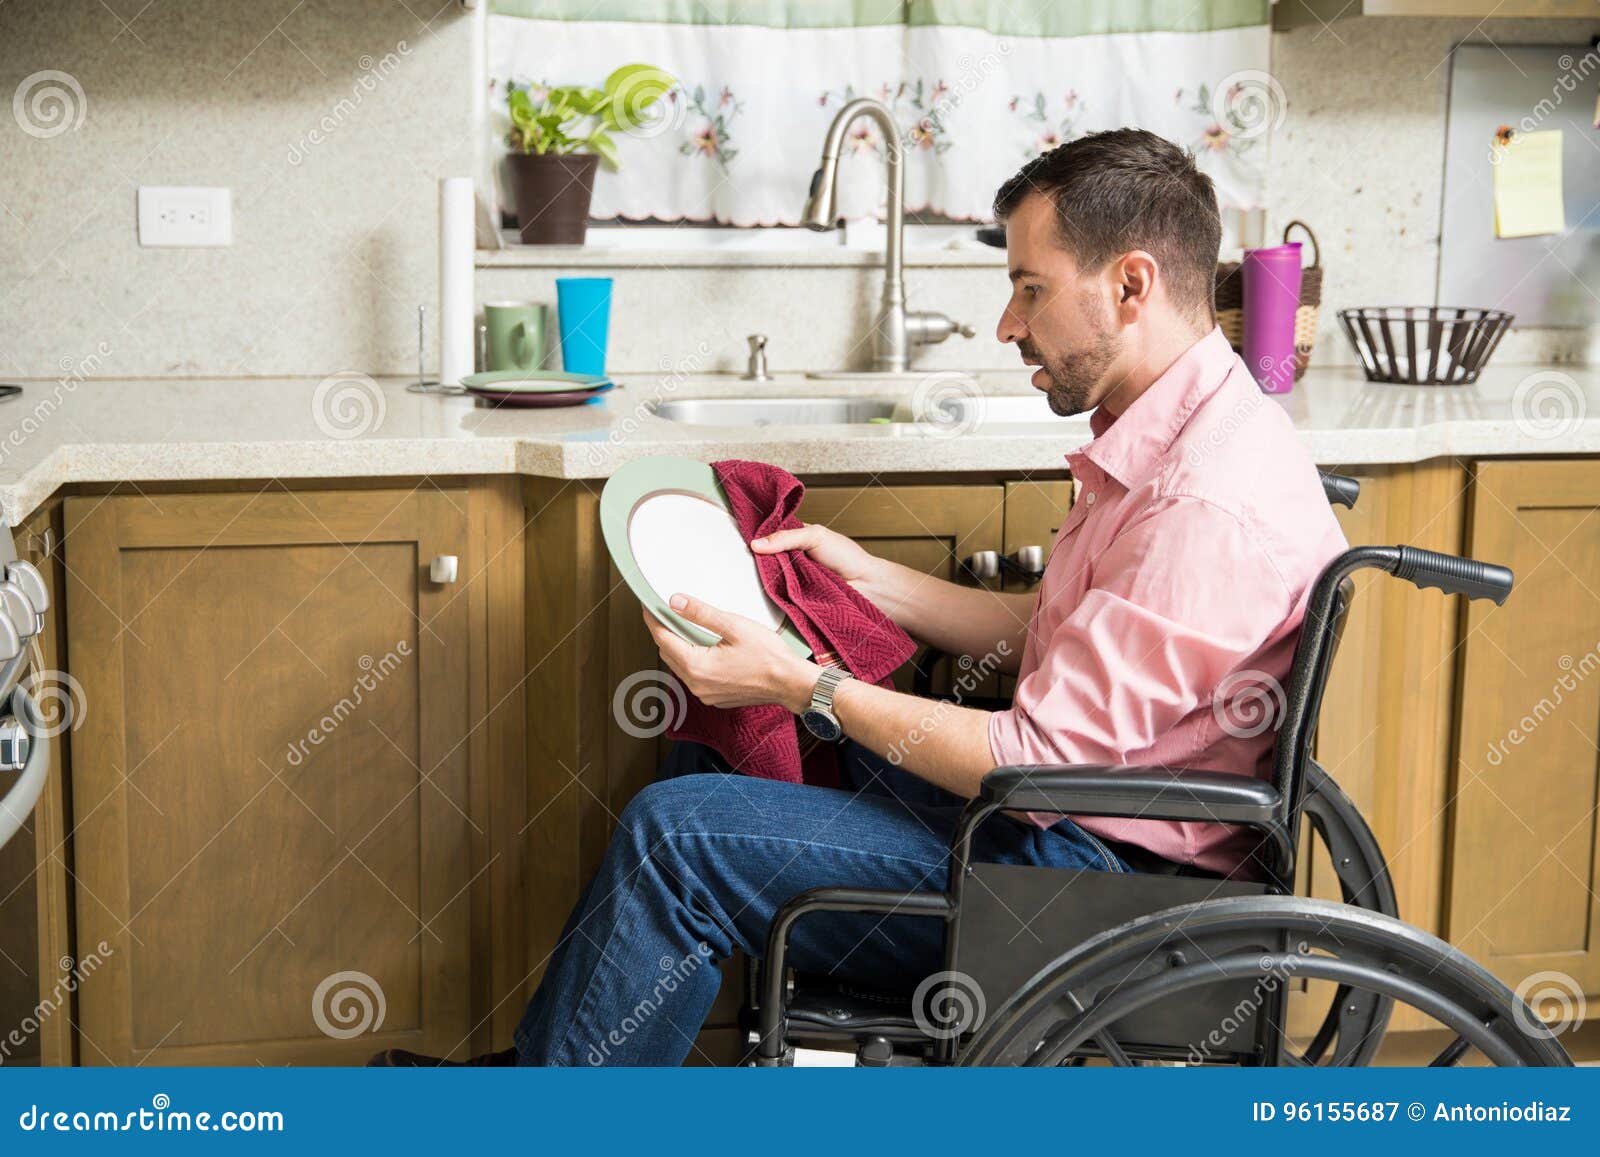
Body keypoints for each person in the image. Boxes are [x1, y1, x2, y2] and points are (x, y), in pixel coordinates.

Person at [371, 127, 1347, 1068]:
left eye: (1029, 287)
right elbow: (1058, 635)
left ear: (1131, 284)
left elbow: (1033, 759)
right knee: (725, 746)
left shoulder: (1198, 501)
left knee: (678, 836)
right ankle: (554, 1074)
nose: (1007, 324)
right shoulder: (1179, 431)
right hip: (1064, 834)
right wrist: (867, 577)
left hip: (1091, 896)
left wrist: (802, 683)